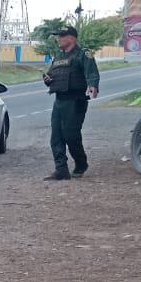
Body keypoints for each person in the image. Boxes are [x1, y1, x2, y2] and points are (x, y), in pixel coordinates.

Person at [42, 25, 100, 181]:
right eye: (58, 36)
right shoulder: (59, 56)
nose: (58, 39)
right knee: (56, 137)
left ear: (72, 38)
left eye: (62, 36)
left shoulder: (83, 54)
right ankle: (61, 170)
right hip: (59, 99)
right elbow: (52, 74)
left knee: (71, 135)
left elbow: (92, 72)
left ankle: (81, 163)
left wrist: (93, 85)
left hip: (75, 100)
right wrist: (48, 79)